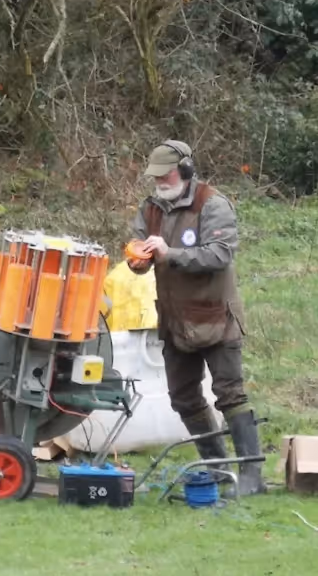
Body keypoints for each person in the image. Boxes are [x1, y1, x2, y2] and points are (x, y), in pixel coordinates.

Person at [128, 139, 266, 495]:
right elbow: (139, 244)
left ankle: (252, 477)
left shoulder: (213, 205)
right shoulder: (150, 209)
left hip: (216, 317)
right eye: (155, 175)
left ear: (186, 171)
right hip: (174, 321)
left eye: (167, 173)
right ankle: (218, 469)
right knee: (184, 398)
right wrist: (138, 260)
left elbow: (219, 254)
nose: (160, 181)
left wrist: (170, 254)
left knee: (230, 395)